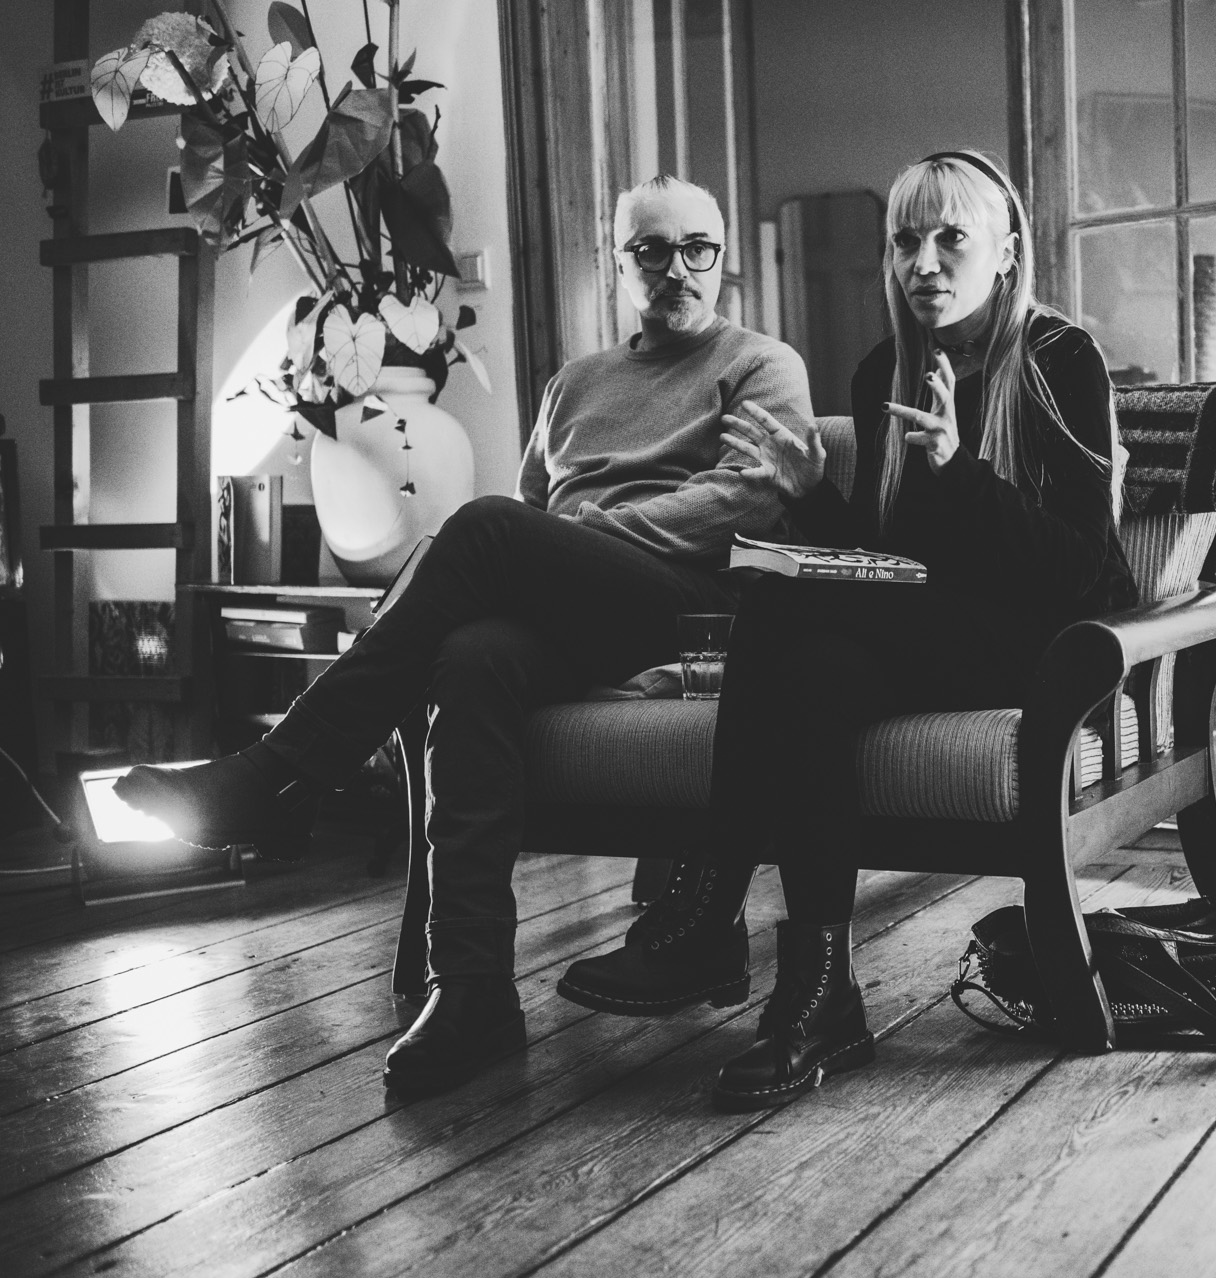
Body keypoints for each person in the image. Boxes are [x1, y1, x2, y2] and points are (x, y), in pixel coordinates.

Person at [114, 175, 812, 1095]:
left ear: (723, 258)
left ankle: (278, 773)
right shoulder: (574, 384)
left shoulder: (762, 363)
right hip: (573, 613)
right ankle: (472, 987)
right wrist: (553, 548)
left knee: (483, 530)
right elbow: (533, 516)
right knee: (471, 655)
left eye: (697, 249)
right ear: (618, 265)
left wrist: (584, 539)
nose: (676, 268)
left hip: (683, 608)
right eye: (651, 250)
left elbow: (751, 496)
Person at [557, 150, 1137, 1111]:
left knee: (783, 607)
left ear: (1006, 251)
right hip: (934, 635)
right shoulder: (885, 371)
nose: (924, 262)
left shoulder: (1058, 361)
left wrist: (959, 473)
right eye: (906, 241)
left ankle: (707, 907)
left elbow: (1087, 569)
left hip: (1047, 646)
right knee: (813, 669)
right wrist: (811, 495)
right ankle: (821, 996)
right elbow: (887, 560)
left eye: (951, 238)